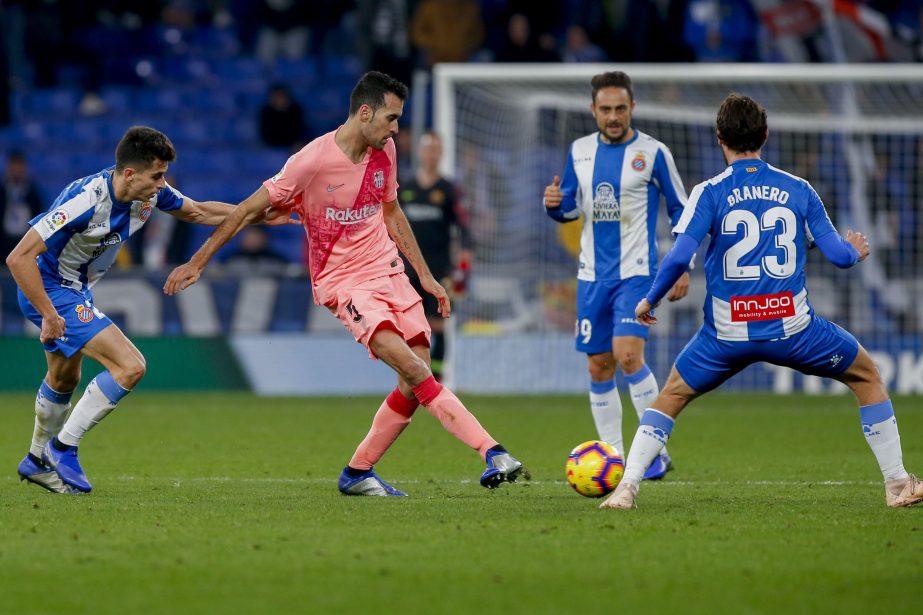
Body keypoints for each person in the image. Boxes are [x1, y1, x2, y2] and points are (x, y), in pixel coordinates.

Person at [164, 71, 525, 497]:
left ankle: (357, 473)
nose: (396, 129)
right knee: (414, 368)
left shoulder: (384, 150)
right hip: (343, 282)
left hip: (387, 271)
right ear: (365, 112)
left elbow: (392, 213)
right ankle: (492, 451)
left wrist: (425, 276)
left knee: (414, 379)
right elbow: (246, 211)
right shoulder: (311, 162)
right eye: (391, 118)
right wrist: (198, 262)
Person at [601, 94, 923, 510]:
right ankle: (897, 485)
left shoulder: (710, 192)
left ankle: (626, 490)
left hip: (724, 335)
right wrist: (856, 249)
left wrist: (648, 300)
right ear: (765, 135)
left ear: (720, 138)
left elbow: (680, 256)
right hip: (795, 331)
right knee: (867, 376)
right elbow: (841, 258)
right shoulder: (799, 189)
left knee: (670, 396)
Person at [7, 126, 292, 495]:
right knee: (130, 366)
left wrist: (255, 216)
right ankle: (63, 447)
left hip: (75, 290)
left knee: (63, 380)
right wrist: (48, 313)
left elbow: (199, 211)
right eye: (157, 175)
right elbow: (18, 257)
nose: (163, 183)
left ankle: (35, 460)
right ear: (129, 173)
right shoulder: (85, 201)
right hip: (49, 290)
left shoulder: (150, 195)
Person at [543, 70, 690, 480]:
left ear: (632, 108)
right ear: (593, 110)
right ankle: (617, 456)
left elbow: (681, 210)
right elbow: (570, 207)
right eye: (605, 109)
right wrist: (554, 204)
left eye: (620, 108)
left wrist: (683, 265)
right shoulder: (579, 151)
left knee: (628, 355)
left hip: (638, 274)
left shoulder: (654, 153)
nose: (613, 116)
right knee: (599, 366)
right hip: (592, 276)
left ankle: (654, 450)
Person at [399, 131, 472, 380]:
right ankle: (412, 378)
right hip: (407, 271)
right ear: (420, 152)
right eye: (427, 148)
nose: (431, 153)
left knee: (438, 325)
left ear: (441, 154)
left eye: (435, 149)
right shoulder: (404, 189)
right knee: (409, 327)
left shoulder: (450, 190)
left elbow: (465, 232)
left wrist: (463, 270)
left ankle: (436, 380)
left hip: (440, 269)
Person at [1, 150, 45, 260]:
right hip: (2, 241)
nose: (16, 170)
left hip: (25, 241)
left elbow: (38, 217)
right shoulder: (1, 191)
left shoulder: (33, 193)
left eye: (19, 165)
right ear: (8, 167)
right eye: (14, 165)